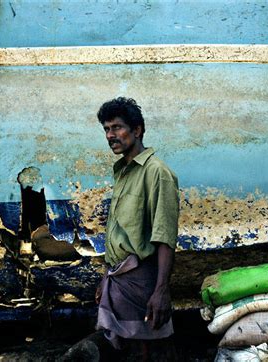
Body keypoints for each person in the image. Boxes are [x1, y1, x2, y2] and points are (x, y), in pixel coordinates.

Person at [91, 97, 179, 360]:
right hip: (118, 281)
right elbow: (120, 233)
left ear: (137, 129)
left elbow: (164, 237)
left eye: (117, 127)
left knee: (147, 352)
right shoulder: (123, 171)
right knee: (128, 352)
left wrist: (161, 291)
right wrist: (105, 276)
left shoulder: (157, 173)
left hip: (142, 283)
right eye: (106, 129)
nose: (110, 135)